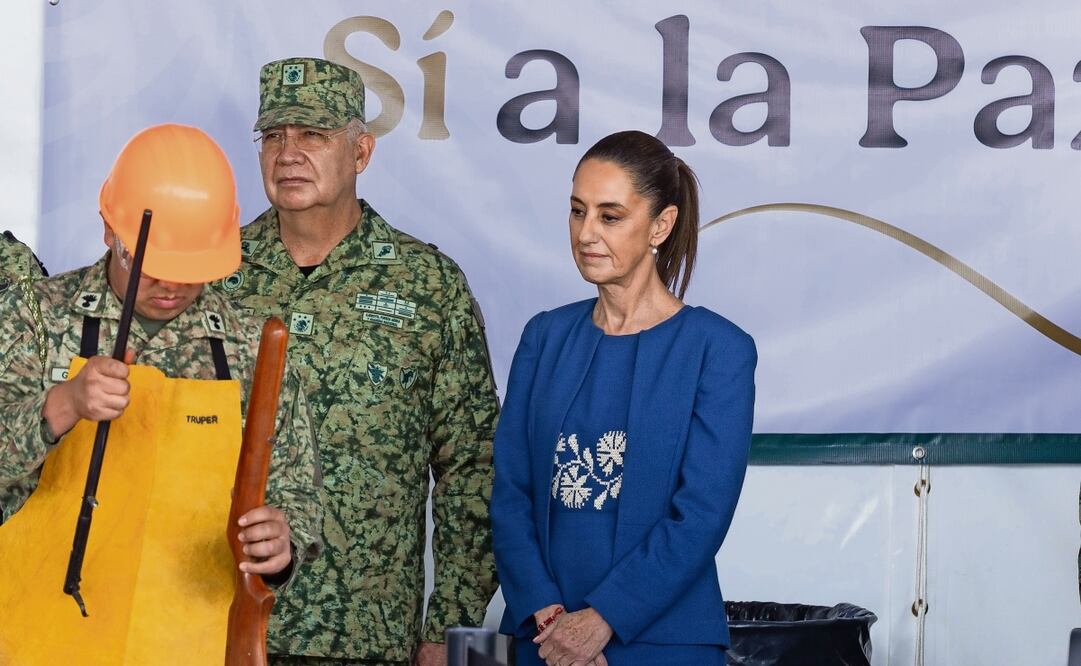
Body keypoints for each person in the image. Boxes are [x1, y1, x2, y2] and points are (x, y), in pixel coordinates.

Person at [219, 57, 500, 666]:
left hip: (370, 636)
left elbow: (473, 468)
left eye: (313, 135)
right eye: (273, 136)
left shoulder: (428, 285)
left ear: (361, 153)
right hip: (217, 626)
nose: (288, 153)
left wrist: (449, 630)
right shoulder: (212, 275)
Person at [0, 123, 323, 581]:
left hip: (188, 631)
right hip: (39, 623)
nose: (171, 286)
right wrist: (62, 404)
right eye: (154, 268)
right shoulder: (33, 317)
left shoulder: (251, 347)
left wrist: (280, 543)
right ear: (110, 230)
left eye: (190, 270)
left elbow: (297, 496)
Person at [491, 130, 758, 665]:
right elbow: (509, 491)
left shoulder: (720, 349)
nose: (586, 233)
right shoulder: (543, 337)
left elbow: (701, 514)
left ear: (661, 225)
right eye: (577, 211)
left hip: (662, 641)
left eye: (610, 217)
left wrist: (601, 620)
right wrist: (549, 618)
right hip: (543, 639)